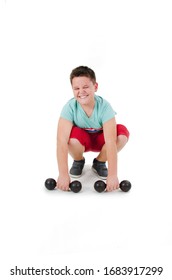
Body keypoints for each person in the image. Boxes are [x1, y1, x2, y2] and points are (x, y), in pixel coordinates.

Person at [56, 66, 129, 192]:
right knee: (70, 137)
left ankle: (99, 162)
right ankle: (78, 161)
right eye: (76, 88)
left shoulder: (105, 107)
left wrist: (112, 175)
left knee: (121, 134)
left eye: (85, 87)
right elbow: (61, 141)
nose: (81, 92)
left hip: (102, 142)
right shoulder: (69, 108)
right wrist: (63, 175)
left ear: (95, 87)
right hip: (81, 142)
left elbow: (111, 142)